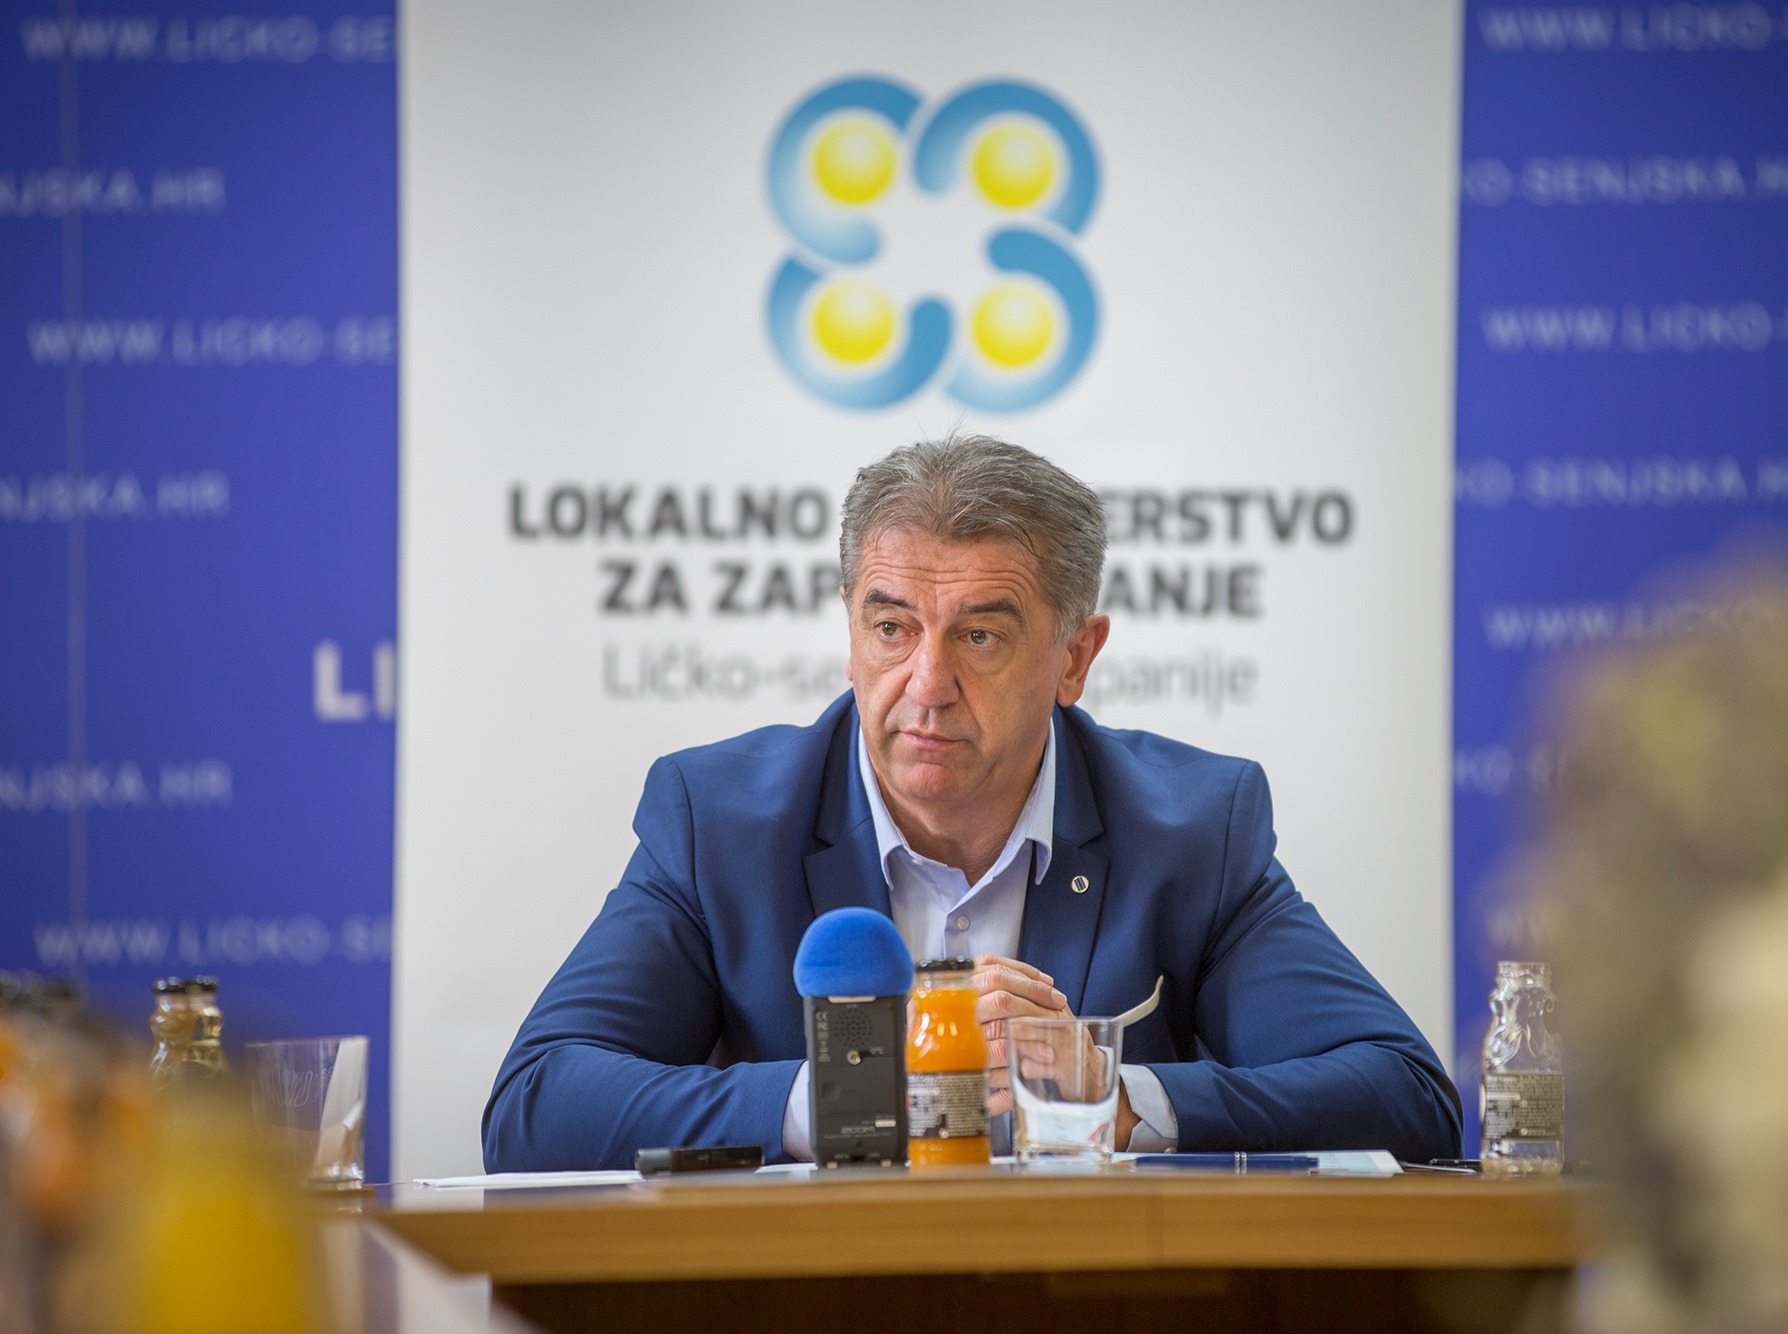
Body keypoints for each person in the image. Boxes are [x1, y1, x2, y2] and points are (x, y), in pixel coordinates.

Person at [483, 436, 1459, 1169]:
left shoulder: (1193, 827)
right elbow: (533, 1104)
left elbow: (1405, 1092)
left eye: (980, 636)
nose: (926, 683)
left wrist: (1104, 1091)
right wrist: (859, 1093)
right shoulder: (718, 819)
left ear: (1074, 657)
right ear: (850, 630)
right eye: (891, 627)